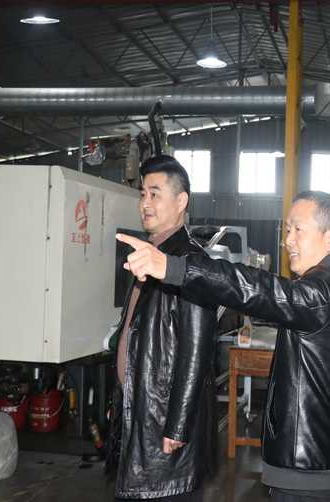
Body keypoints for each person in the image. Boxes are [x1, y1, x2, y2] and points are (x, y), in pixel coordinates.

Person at [117, 191, 330, 502]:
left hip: (307, 471)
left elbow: (261, 289)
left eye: (298, 229)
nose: (288, 240)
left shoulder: (329, 289)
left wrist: (176, 268)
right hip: (315, 463)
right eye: (287, 230)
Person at [108, 155, 217, 501]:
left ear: (181, 201)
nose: (145, 203)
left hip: (164, 427)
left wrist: (178, 426)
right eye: (143, 194)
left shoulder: (190, 263)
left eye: (155, 194)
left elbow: (196, 352)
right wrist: (121, 400)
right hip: (141, 413)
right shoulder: (149, 254)